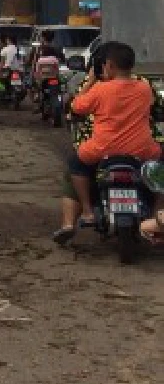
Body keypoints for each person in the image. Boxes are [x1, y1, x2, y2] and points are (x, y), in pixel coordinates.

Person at [53, 41, 162, 244]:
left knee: (75, 165)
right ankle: (157, 212)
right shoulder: (145, 88)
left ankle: (86, 211)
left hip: (101, 150)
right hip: (142, 150)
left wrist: (91, 82)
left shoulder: (100, 89)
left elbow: (76, 107)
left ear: (108, 65)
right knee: (160, 169)